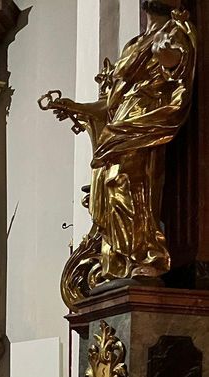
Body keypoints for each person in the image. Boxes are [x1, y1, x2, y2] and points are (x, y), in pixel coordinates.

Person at [42, 1, 196, 281]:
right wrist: (74, 106)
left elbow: (179, 72)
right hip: (120, 123)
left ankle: (150, 255)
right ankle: (120, 261)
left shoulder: (174, 33)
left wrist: (170, 54)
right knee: (108, 187)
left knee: (133, 186)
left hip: (145, 121)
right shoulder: (133, 45)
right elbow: (111, 105)